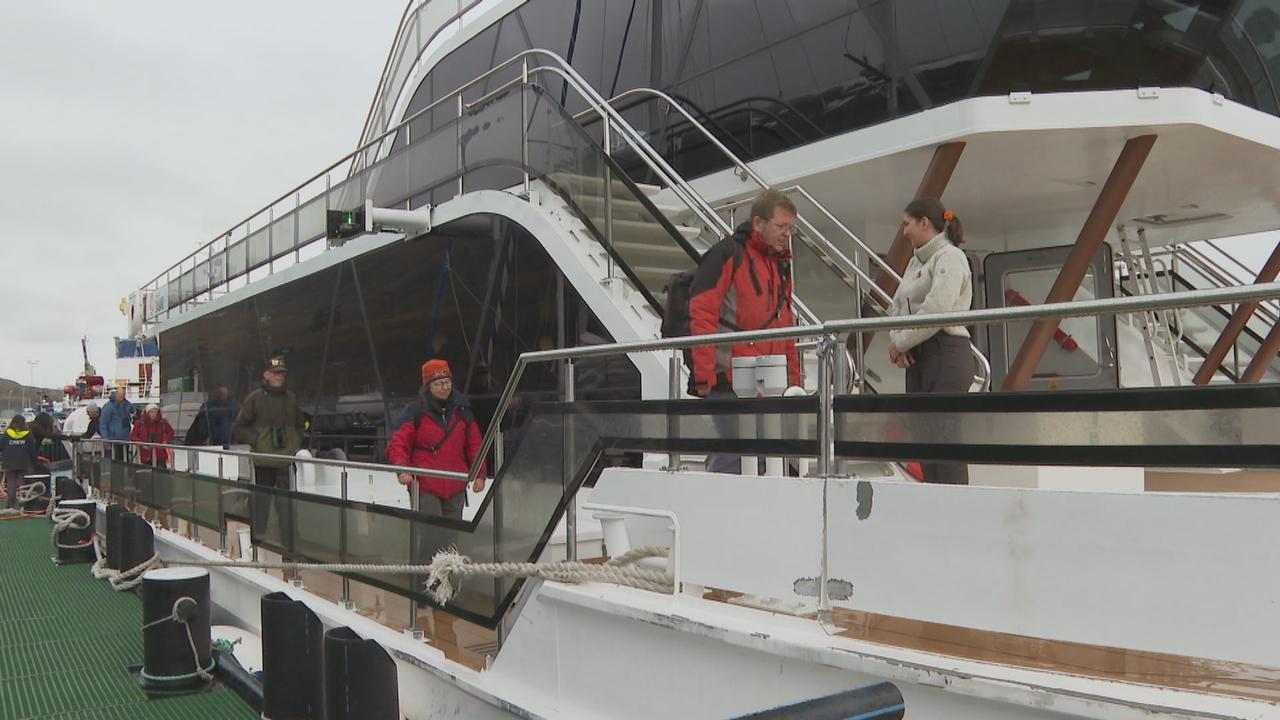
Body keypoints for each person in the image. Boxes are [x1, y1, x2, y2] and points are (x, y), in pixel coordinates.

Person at [688, 188, 800, 473]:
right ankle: (710, 506)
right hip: (729, 377)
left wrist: (792, 381)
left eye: (790, 228)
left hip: (767, 380)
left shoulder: (780, 265)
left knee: (757, 455)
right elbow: (702, 312)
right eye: (781, 226)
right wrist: (704, 373)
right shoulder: (727, 255)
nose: (786, 234)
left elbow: (784, 326)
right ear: (759, 224)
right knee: (742, 452)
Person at [887, 197, 974, 485]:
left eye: (907, 224)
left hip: (947, 353)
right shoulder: (915, 262)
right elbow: (896, 307)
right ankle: (936, 510)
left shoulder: (950, 257)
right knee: (924, 441)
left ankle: (956, 513)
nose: (904, 231)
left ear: (924, 223)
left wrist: (900, 344)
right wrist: (899, 342)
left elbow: (937, 310)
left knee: (945, 443)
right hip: (920, 356)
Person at [386, 360, 486, 519]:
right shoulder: (415, 411)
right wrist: (401, 468)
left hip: (456, 483)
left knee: (453, 533)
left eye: (447, 382)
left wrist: (480, 473)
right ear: (428, 387)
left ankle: (450, 546)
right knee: (431, 533)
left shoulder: (462, 410)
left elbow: (474, 444)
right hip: (425, 484)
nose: (444, 387)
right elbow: (398, 442)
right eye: (438, 384)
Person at [233, 356, 307, 545]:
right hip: (264, 461)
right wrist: (258, 441)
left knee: (286, 505)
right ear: (266, 375)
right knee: (261, 504)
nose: (279, 377)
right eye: (275, 373)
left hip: (285, 461)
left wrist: (294, 442)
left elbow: (301, 424)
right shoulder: (255, 398)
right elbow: (239, 426)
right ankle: (257, 542)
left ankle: (290, 544)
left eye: (281, 373)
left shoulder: (291, 398)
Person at [3, 415, 38, 509]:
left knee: (11, 484)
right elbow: (32, 451)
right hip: (24, 463)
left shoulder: (6, 435)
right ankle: (23, 504)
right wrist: (35, 463)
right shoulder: (28, 436)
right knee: (23, 483)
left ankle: (10, 505)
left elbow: (1, 447)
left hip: (9, 463)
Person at [99, 387, 134, 461]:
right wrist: (106, 440)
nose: (121, 397)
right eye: (119, 395)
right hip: (113, 440)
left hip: (125, 439)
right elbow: (103, 424)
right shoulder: (108, 407)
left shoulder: (127, 405)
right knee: (115, 462)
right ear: (115, 394)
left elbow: (134, 411)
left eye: (123, 395)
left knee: (125, 461)